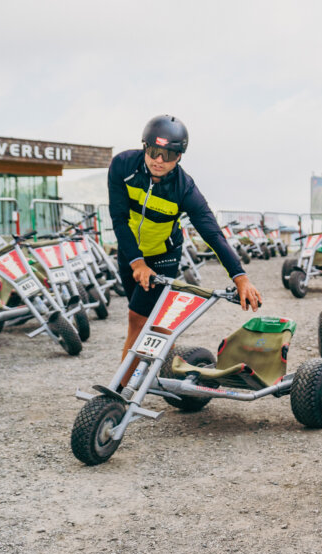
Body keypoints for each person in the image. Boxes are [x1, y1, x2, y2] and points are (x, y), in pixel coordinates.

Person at [107, 115, 262, 386]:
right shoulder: (122, 166)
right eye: (154, 151)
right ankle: (158, 359)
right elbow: (119, 219)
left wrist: (240, 278)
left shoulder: (185, 188)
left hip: (163, 255)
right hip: (131, 254)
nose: (159, 160)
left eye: (168, 155)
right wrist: (136, 262)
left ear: (179, 157)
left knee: (137, 320)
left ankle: (121, 390)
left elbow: (212, 232)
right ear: (144, 146)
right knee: (141, 318)